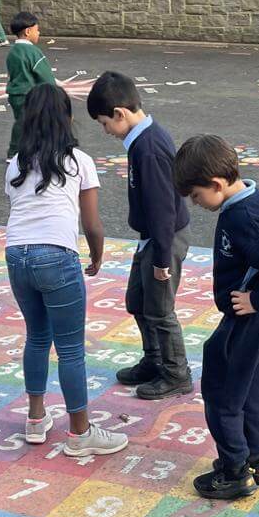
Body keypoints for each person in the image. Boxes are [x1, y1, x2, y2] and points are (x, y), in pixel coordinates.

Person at [174, 134, 259, 501]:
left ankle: (234, 471)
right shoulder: (253, 197)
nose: (196, 203)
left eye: (196, 195)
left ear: (216, 184)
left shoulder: (241, 216)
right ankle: (255, 460)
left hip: (250, 318)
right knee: (255, 389)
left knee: (222, 391)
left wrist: (257, 296)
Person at [4, 83, 128, 458]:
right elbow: (92, 224)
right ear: (67, 118)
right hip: (56, 255)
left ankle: (35, 418)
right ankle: (80, 432)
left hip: (16, 255)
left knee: (37, 337)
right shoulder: (78, 161)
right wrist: (97, 256)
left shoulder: (15, 163)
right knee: (71, 349)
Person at [87, 70, 193, 401]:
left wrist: (161, 260)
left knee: (160, 309)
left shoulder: (149, 149)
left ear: (120, 113)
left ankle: (176, 373)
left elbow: (163, 210)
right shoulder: (140, 141)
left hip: (164, 239)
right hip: (151, 237)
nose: (105, 130)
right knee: (137, 301)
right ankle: (155, 359)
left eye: (104, 123)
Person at [5, 12, 57, 159]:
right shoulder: (33, 52)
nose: (39, 33)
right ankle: (14, 152)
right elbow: (45, 75)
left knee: (24, 122)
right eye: (37, 30)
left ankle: (30, 149)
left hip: (15, 93)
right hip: (29, 95)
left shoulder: (13, 51)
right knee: (26, 123)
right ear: (28, 31)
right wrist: (54, 90)